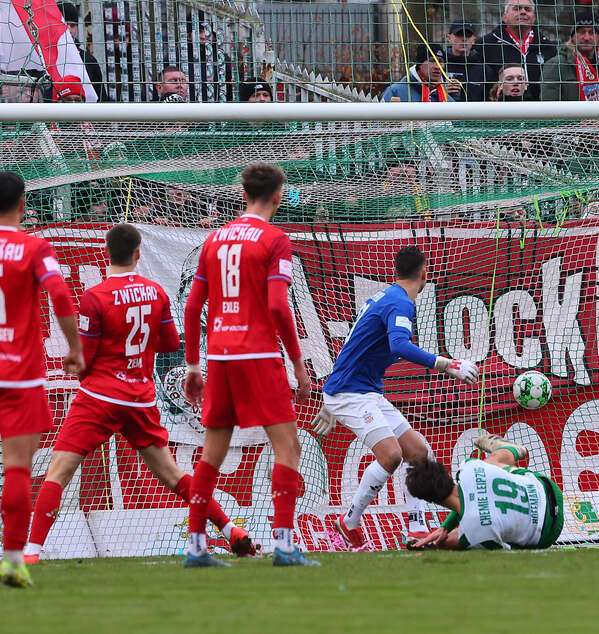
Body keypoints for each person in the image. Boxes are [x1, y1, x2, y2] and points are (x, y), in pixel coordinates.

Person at [24, 224, 256, 564]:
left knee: (59, 471)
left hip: (100, 397)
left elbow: (85, 358)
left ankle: (31, 553)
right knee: (173, 475)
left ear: (107, 252)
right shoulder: (156, 293)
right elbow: (171, 343)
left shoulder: (95, 297)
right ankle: (229, 529)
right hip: (139, 398)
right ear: (137, 254)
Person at [182, 163, 315, 567]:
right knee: (287, 446)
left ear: (243, 194)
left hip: (220, 357)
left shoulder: (214, 239)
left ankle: (196, 548)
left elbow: (192, 307)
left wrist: (192, 366)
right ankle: (285, 545)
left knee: (211, 454)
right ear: (278, 196)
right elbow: (277, 305)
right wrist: (297, 363)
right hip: (258, 355)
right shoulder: (275, 240)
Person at [318, 246, 479, 551]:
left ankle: (416, 528)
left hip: (362, 389)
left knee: (418, 452)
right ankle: (349, 522)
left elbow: (363, 346)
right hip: (351, 392)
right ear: (424, 274)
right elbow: (400, 345)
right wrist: (448, 365)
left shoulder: (386, 297)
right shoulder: (400, 303)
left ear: (395, 272)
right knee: (391, 456)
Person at [0, 171, 83, 588]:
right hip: (17, 374)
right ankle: (13, 561)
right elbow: (62, 295)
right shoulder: (32, 247)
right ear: (21, 205)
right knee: (17, 468)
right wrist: (75, 348)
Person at [404, 434, 564, 550]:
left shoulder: (474, 530)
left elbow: (507, 549)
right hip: (547, 487)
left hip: (547, 534)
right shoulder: (468, 467)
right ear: (447, 474)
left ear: (431, 501)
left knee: (456, 540)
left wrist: (444, 532)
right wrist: (446, 526)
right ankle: (510, 450)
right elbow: (468, 499)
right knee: (491, 464)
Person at [477, 0, 557, 101]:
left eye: (527, 9)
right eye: (517, 9)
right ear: (504, 17)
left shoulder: (548, 47)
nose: (523, 12)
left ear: (534, 18)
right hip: (499, 111)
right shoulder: (485, 45)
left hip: (541, 110)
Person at [540, 11, 599, 102]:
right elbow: (550, 107)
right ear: (572, 36)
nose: (586, 38)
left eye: (591, 32)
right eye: (581, 32)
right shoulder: (557, 64)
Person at [57, 2, 106, 102]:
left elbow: (102, 100)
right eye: (65, 24)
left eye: (73, 25)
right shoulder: (44, 59)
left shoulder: (89, 60)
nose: (69, 30)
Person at [381, 46, 455, 103]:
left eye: (441, 62)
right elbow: (379, 121)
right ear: (420, 64)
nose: (438, 66)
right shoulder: (395, 92)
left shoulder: (446, 97)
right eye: (432, 61)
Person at [443, 21, 489, 102]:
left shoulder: (484, 69)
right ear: (449, 38)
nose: (464, 39)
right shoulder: (439, 66)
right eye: (459, 35)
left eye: (468, 35)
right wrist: (442, 91)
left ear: (473, 39)